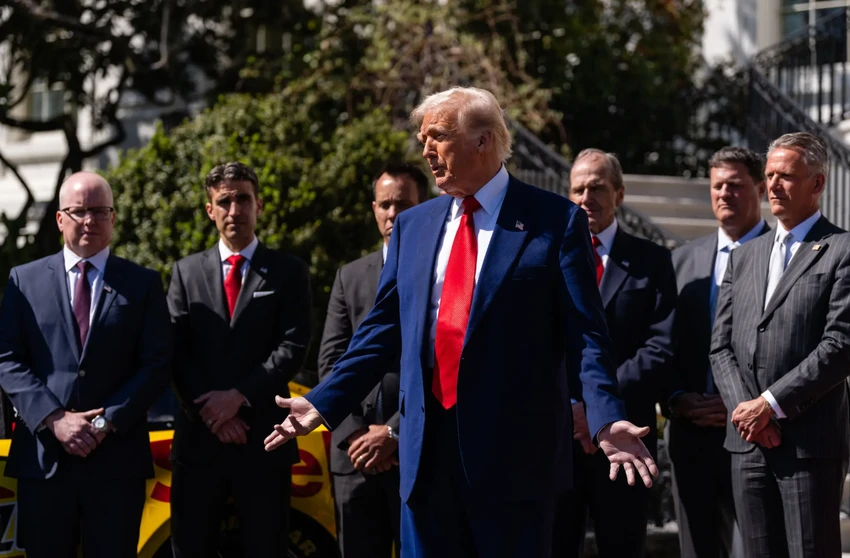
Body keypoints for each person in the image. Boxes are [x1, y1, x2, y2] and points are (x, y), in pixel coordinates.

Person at [265, 86, 658, 558]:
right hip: (425, 459)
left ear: (482, 141)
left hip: (514, 464)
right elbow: (379, 333)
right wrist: (322, 403)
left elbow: (587, 334)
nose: (426, 151)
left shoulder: (555, 221)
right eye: (422, 139)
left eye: (438, 136)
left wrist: (605, 416)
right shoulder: (413, 226)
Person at [0, 172, 172, 558]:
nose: (90, 220)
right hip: (44, 461)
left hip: (116, 462)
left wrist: (103, 423)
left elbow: (157, 363)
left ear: (113, 218)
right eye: (79, 211)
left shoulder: (143, 284)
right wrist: (55, 419)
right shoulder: (23, 281)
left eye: (100, 211)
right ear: (60, 219)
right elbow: (7, 358)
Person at [710, 132, 850, 557]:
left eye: (786, 175)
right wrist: (748, 413)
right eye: (769, 175)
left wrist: (769, 405)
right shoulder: (744, 256)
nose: (773, 185)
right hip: (748, 444)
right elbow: (721, 348)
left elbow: (840, 344)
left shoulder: (841, 250)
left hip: (808, 446)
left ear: (818, 183)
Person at [167, 162, 312, 557]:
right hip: (199, 444)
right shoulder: (185, 273)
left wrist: (239, 397)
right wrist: (214, 414)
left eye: (243, 199)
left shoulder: (289, 272)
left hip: (263, 440)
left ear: (259, 205)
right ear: (210, 210)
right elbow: (174, 351)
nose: (234, 210)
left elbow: (293, 346)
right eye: (224, 201)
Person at [554, 149, 676, 557]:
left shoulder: (652, 261)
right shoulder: (548, 257)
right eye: (578, 189)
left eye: (598, 188)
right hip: (559, 435)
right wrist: (574, 408)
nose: (586, 197)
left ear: (619, 194)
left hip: (626, 439)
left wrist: (598, 408)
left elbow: (660, 347)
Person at [318, 162, 429, 558]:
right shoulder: (349, 277)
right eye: (385, 204)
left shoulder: (439, 273)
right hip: (355, 461)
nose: (393, 214)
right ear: (374, 209)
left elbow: (444, 363)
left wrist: (394, 432)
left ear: (423, 208)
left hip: (418, 451)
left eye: (403, 204)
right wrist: (354, 435)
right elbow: (331, 362)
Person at [665, 146, 769, 558]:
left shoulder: (785, 258)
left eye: (736, 185)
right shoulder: (681, 261)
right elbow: (662, 343)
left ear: (760, 189)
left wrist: (742, 404)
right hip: (691, 436)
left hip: (759, 437)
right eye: (718, 186)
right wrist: (677, 398)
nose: (725, 193)